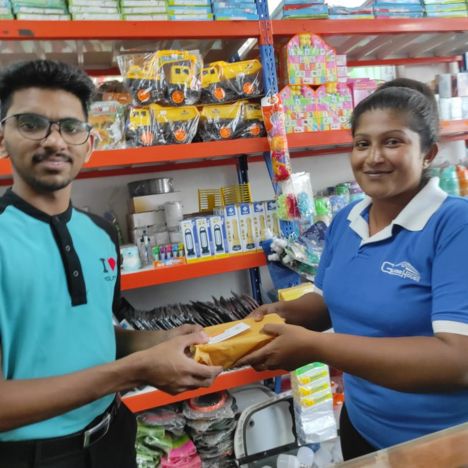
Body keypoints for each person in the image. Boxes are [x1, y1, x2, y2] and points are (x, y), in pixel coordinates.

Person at [0, 60, 222, 468]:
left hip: (114, 438)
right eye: (31, 124)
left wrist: (158, 342)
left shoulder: (101, 234)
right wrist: (135, 370)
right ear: (3, 137)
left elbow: (91, 332)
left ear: (89, 143)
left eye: (70, 127)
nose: (54, 141)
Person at [237, 78, 468, 460]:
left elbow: (458, 361)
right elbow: (330, 301)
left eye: (393, 142)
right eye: (363, 143)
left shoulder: (454, 226)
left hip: (438, 442)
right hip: (361, 426)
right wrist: (284, 315)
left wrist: (315, 347)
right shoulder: (347, 219)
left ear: (428, 153)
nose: (373, 157)